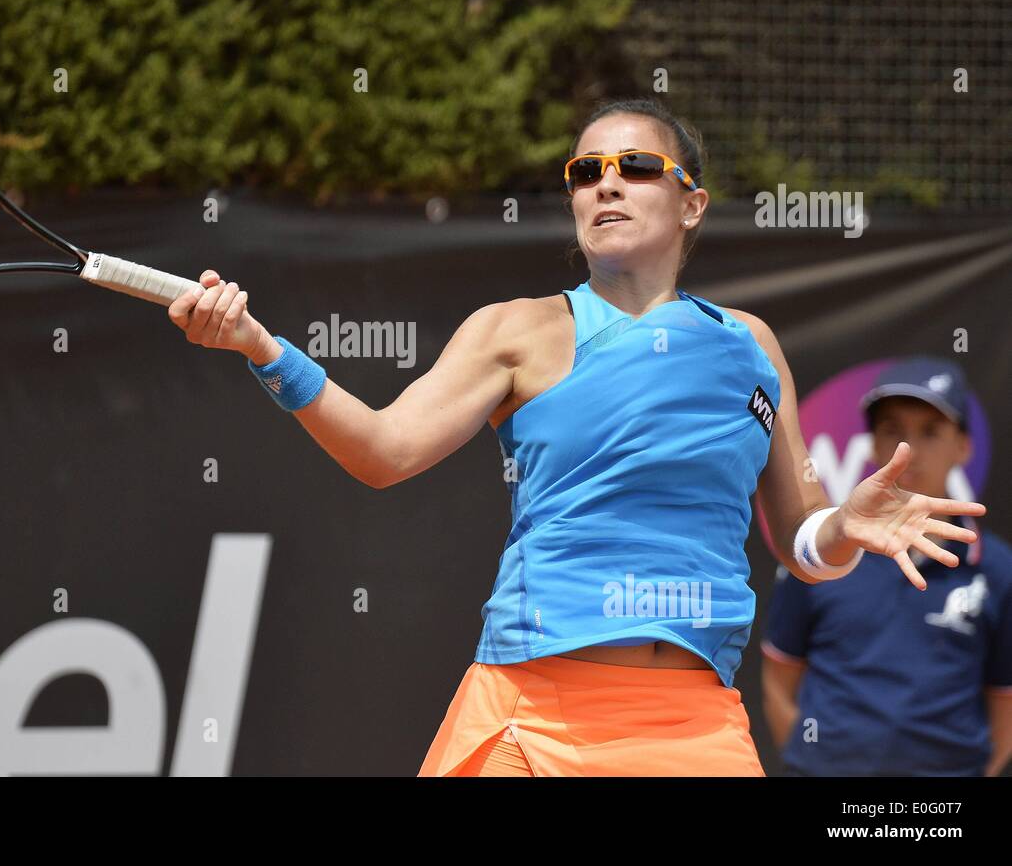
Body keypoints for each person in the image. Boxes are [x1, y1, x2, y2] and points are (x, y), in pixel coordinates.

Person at [165, 98, 987, 776]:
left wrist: (841, 526)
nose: (607, 185)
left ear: (691, 202)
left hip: (693, 729)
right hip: (528, 717)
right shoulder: (516, 332)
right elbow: (384, 451)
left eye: (635, 168)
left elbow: (806, 539)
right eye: (585, 172)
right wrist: (262, 350)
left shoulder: (752, 346)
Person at [762, 357, 1012, 776]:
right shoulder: (828, 551)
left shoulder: (997, 569)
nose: (908, 450)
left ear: (964, 446)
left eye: (930, 432)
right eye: (892, 430)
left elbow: (1005, 703)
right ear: (873, 445)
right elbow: (777, 680)